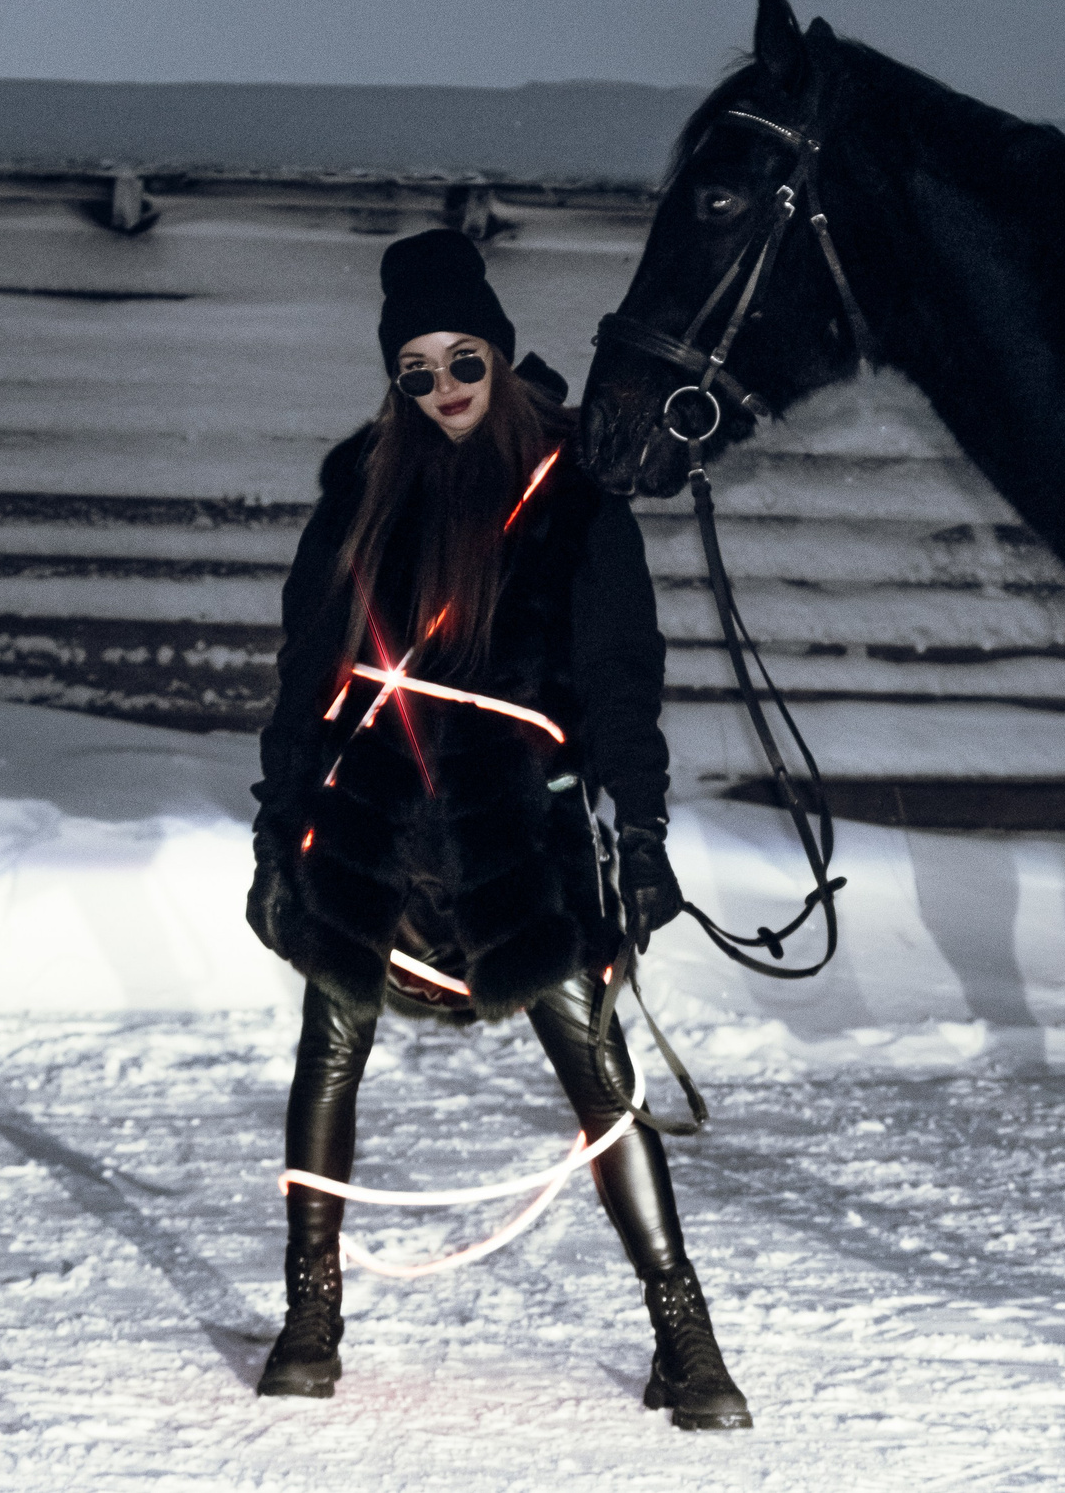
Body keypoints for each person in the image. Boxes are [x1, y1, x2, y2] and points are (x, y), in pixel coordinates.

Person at [243, 227, 748, 1428]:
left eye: (462, 360)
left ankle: (685, 1335)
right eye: (415, 371)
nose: (444, 388)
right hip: (369, 825)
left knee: (599, 1076)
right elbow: (308, 671)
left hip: (519, 829)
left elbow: (619, 680)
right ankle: (311, 1316)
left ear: (502, 355)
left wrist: (642, 834)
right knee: (328, 1050)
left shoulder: (575, 499)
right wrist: (277, 831)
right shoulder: (362, 489)